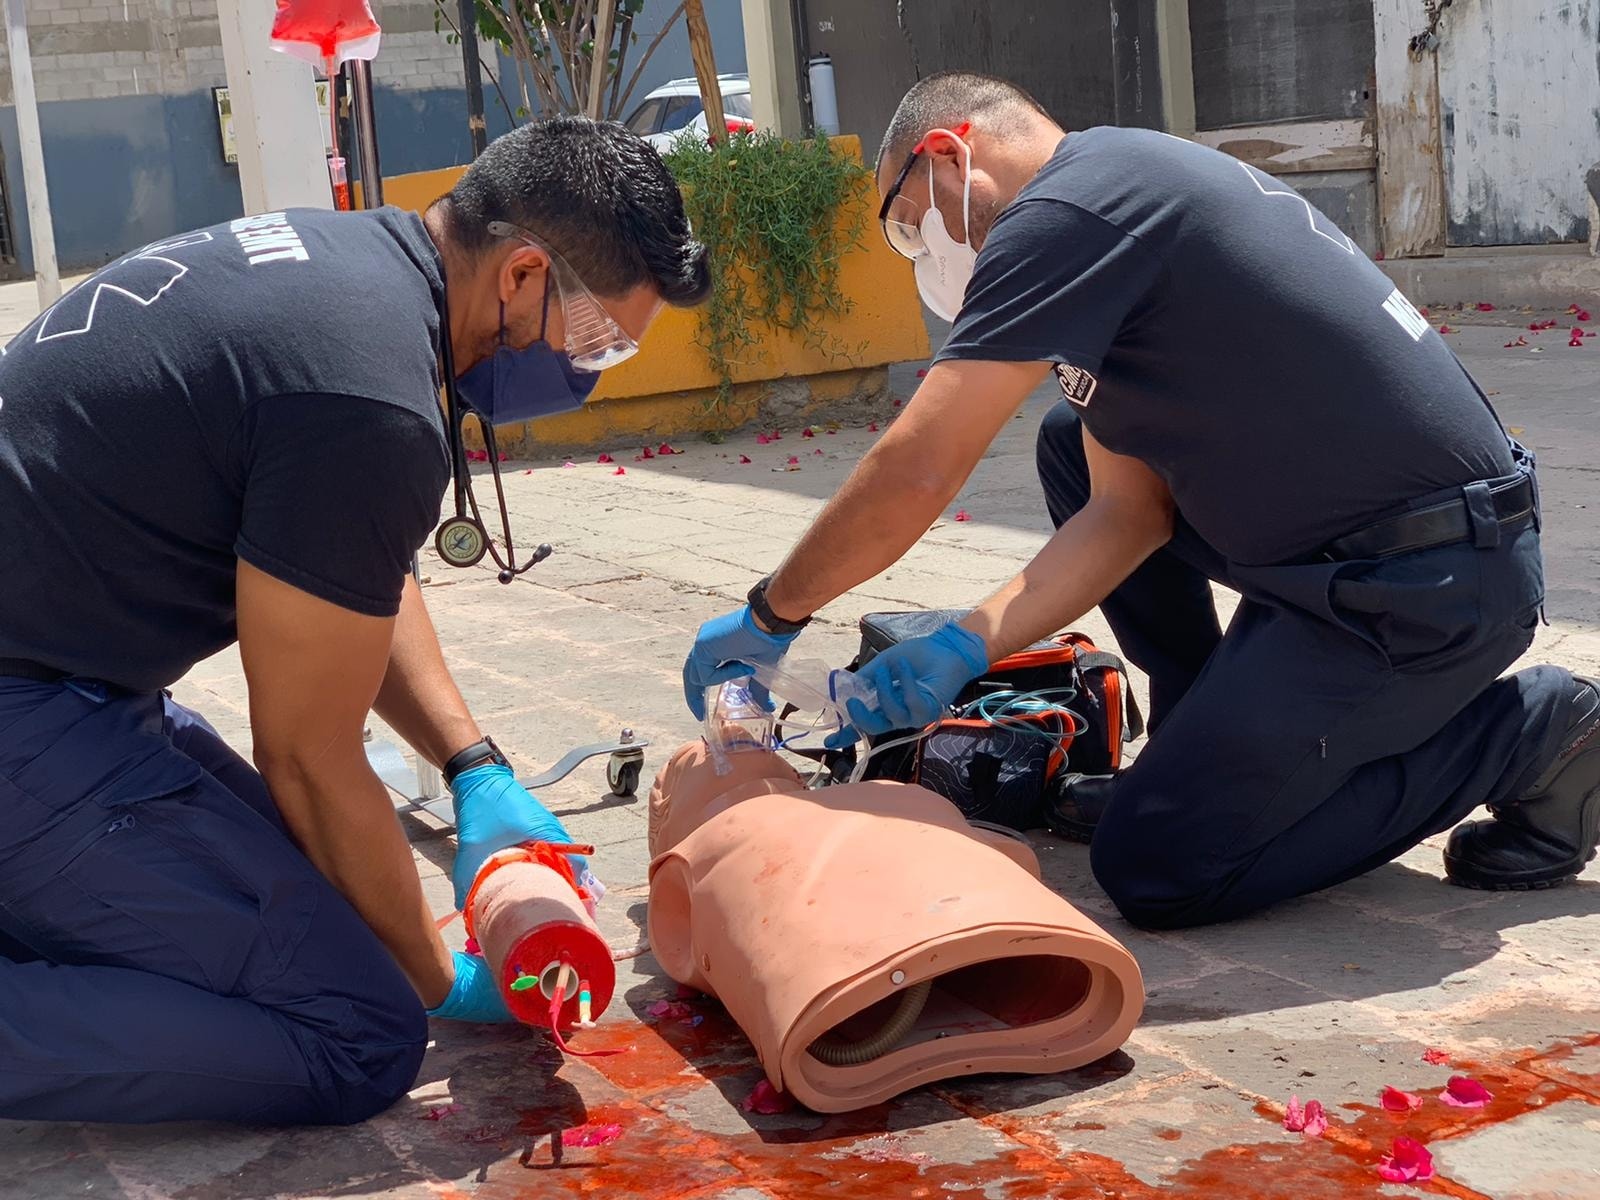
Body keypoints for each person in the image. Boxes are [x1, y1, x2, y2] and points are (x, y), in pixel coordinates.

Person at [681, 72, 1599, 931]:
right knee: (1068, 444)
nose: (925, 255)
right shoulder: (1111, 196)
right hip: (1345, 553)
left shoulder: (1065, 213)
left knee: (1161, 865)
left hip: (1421, 585)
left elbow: (918, 469)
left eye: (912, 225)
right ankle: (1200, 724)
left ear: (949, 154)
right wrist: (966, 644)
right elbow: (1127, 512)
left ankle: (1531, 733)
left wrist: (772, 613)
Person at [0, 117, 709, 1124]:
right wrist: (438, 978)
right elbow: (306, 757)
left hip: (66, 684)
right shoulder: (365, 394)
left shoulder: (353, 276)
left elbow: (349, 569)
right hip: (28, 711)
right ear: (520, 276)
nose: (588, 368)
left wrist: (475, 769)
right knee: (358, 1027)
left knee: (332, 901)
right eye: (597, 338)